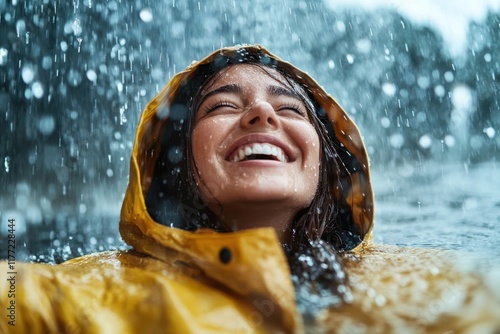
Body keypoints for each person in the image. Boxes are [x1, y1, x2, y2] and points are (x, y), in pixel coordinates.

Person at [1, 45, 499, 334]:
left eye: (289, 109)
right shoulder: (84, 290)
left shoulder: (426, 276)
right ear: (176, 159)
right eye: (221, 106)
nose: (261, 114)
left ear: (326, 164)